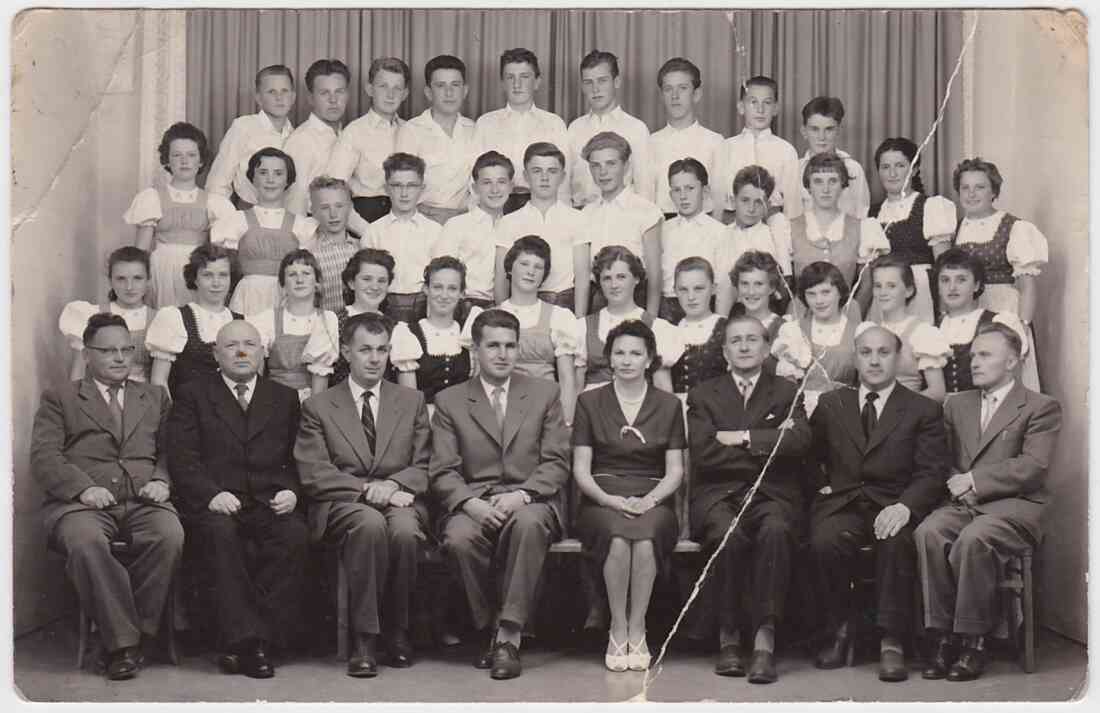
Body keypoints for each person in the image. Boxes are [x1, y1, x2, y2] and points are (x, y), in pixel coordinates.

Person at [31, 313, 183, 680]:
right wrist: (83, 488)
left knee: (169, 535)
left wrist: (162, 480)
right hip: (80, 503)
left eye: (126, 349)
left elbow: (172, 451)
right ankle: (124, 645)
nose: (120, 358)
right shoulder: (60, 398)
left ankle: (127, 637)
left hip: (144, 499)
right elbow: (44, 456)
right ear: (87, 354)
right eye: (108, 350)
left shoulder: (155, 396)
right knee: (85, 542)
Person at [429, 309, 571, 680]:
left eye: (510, 345)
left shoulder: (544, 393)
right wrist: (470, 504)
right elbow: (442, 470)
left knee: (527, 524)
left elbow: (557, 461)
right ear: (475, 350)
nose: (503, 354)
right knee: (459, 538)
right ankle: (487, 628)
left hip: (530, 499)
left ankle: (508, 637)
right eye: (493, 345)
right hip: (474, 499)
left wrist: (523, 494)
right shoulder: (450, 400)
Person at [915, 323, 1062, 682]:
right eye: (972, 355)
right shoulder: (957, 404)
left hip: (1014, 506)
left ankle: (973, 641)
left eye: (985, 355)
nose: (974, 362)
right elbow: (942, 457)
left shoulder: (1040, 407)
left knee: (974, 538)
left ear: (1012, 361)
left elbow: (1034, 465)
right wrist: (957, 483)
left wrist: (976, 481)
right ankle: (942, 637)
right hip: (963, 504)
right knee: (928, 531)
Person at [166, 319, 307, 679]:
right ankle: (247, 643)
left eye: (250, 344)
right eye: (231, 345)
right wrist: (210, 494)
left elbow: (298, 457)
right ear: (216, 353)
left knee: (294, 535)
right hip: (216, 501)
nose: (242, 351)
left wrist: (292, 490)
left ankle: (259, 637)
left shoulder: (284, 397)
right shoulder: (193, 393)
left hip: (268, 501)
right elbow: (182, 458)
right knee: (220, 534)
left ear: (263, 352)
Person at [809, 324, 949, 682]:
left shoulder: (921, 409)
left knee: (895, 541)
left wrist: (905, 507)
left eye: (883, 352)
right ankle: (840, 627)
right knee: (826, 540)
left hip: (894, 503)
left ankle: (892, 639)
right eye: (866, 352)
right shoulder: (831, 403)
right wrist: (821, 486)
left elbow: (933, 472)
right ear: (855, 358)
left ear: (898, 358)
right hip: (844, 503)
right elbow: (807, 457)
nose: (874, 360)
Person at [295, 312, 432, 677]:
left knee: (404, 531)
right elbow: (314, 472)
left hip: (401, 495)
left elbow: (426, 463)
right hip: (344, 502)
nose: (375, 359)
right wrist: (368, 490)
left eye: (382, 350)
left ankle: (399, 631)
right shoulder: (318, 406)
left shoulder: (411, 400)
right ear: (346, 353)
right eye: (365, 350)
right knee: (369, 523)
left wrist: (394, 486)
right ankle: (365, 638)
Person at [688, 315, 812, 683]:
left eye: (752, 339)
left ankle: (764, 642)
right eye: (736, 341)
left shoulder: (786, 391)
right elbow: (704, 452)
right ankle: (728, 638)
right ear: (725, 350)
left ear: (765, 347)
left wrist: (741, 437)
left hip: (772, 493)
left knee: (775, 530)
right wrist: (768, 439)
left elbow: (799, 443)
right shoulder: (703, 393)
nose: (744, 346)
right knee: (728, 533)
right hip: (718, 493)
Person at [572, 320, 685, 672]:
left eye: (635, 353)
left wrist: (650, 500)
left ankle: (639, 626)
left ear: (650, 358)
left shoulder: (668, 405)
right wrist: (610, 500)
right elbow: (581, 470)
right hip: (602, 498)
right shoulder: (589, 401)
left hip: (653, 495)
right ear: (608, 358)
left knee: (648, 538)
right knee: (618, 538)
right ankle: (617, 626)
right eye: (619, 352)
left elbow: (675, 471)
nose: (626, 360)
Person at [951, 157, 1048, 391]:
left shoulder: (1014, 227)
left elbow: (1027, 286)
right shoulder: (955, 228)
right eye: (966, 188)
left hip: (1004, 309)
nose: (971, 194)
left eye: (980, 187)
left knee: (1007, 379)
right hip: (970, 312)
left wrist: (1022, 327)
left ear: (993, 191)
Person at [124, 122, 234, 308]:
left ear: (200, 161)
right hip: (161, 270)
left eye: (191, 155)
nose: (184, 161)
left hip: (197, 271)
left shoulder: (215, 203)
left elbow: (216, 255)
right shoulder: (152, 198)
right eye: (177, 155)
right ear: (167, 160)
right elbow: (141, 252)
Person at [210, 147, 317, 315]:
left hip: (287, 297)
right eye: (263, 172)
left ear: (288, 180)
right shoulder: (236, 221)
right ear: (253, 178)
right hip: (248, 296)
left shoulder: (302, 225)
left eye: (278, 173)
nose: (270, 179)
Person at [490, 235, 579, 425]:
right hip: (502, 412)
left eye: (538, 267)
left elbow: (566, 378)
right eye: (524, 264)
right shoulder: (491, 316)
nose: (531, 272)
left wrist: (566, 424)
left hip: (545, 411)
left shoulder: (559, 317)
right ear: (510, 268)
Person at [495, 141, 591, 315]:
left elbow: (582, 277)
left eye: (552, 171)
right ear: (525, 176)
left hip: (564, 305)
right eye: (537, 171)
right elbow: (501, 279)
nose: (544, 178)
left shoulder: (578, 219)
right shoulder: (509, 222)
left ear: (562, 176)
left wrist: (579, 321)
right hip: (522, 307)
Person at [870, 137, 957, 323]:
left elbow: (944, 266)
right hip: (884, 296)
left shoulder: (931, 207)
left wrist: (944, 310)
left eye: (900, 166)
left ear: (915, 169)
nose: (892, 173)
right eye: (885, 167)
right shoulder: (871, 214)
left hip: (922, 294)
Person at [790, 152, 890, 313]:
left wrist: (851, 317)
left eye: (833, 181)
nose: (825, 189)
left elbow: (867, 284)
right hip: (799, 319)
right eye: (818, 182)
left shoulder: (862, 227)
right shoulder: (789, 227)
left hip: (844, 319)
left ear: (843, 185)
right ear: (808, 187)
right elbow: (784, 283)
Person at [475, 48, 571, 211]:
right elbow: (475, 176)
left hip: (541, 205)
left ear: (537, 82)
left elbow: (563, 178)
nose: (517, 84)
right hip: (497, 205)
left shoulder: (554, 123)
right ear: (502, 83)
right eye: (510, 77)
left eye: (524, 77)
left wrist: (561, 214)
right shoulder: (486, 123)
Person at [580, 131, 664, 314]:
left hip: (636, 300)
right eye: (595, 165)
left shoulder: (646, 211)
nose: (603, 172)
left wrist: (651, 319)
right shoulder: (586, 214)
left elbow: (655, 276)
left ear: (625, 166)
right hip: (597, 301)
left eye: (611, 164)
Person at [282, 59, 367, 240]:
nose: (333, 100)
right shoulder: (302, 140)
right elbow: (296, 203)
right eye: (324, 93)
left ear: (348, 95)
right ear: (311, 98)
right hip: (318, 236)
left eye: (339, 92)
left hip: (348, 230)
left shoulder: (349, 134)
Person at [576, 245, 678, 394]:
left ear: (636, 278)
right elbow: (576, 387)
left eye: (621, 277)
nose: (614, 285)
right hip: (595, 410)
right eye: (607, 278)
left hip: (641, 410)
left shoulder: (657, 328)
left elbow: (663, 388)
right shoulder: (583, 327)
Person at [147, 243, 242, 397]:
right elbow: (159, 381)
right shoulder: (173, 318)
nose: (216, 283)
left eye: (223, 275)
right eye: (207, 275)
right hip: (187, 414)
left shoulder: (240, 322)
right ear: (195, 279)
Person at [361, 152, 445, 323]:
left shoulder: (435, 231)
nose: (404, 193)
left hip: (425, 307)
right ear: (386, 188)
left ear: (422, 188)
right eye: (397, 185)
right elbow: (367, 278)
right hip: (385, 306)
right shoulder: (373, 231)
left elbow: (440, 277)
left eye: (412, 185)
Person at [326, 57, 411, 224]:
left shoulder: (411, 130)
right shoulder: (355, 132)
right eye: (383, 86)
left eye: (397, 88)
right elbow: (334, 191)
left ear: (405, 94)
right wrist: (365, 231)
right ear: (369, 89)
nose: (390, 94)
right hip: (367, 217)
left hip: (404, 217)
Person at [932, 248, 1028, 395]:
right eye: (945, 280)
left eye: (961, 279)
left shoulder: (999, 322)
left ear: (976, 285)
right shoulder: (931, 331)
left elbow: (1015, 384)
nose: (952, 287)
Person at [395, 54, 478, 225]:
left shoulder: (475, 129)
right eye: (441, 86)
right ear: (428, 92)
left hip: (465, 219)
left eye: (455, 85)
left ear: (465, 90)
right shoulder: (411, 131)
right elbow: (401, 184)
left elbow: (480, 182)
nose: (449, 93)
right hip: (423, 220)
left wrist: (464, 214)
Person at [249, 249, 340, 402]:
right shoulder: (266, 318)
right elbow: (255, 369)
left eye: (306, 273)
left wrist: (313, 414)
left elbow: (321, 374)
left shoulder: (327, 318)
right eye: (292, 275)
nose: (299, 280)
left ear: (317, 282)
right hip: (273, 399)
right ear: (283, 285)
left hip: (312, 400)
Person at [771, 261, 861, 416]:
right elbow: (787, 387)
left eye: (826, 292)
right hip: (801, 412)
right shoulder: (793, 331)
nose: (819, 301)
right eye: (811, 294)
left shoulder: (859, 332)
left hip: (844, 412)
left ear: (839, 292)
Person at [60, 247, 157, 383]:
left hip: (141, 398)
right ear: (110, 281)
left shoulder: (158, 319)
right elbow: (78, 372)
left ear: (148, 280)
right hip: (98, 397)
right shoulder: (91, 314)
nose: (129, 286)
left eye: (137, 278)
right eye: (121, 279)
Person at [712, 75, 801, 223]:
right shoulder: (725, 147)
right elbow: (717, 202)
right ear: (741, 107)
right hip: (732, 229)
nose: (760, 109)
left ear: (775, 108)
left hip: (773, 229)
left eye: (767, 103)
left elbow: (793, 208)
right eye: (753, 102)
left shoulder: (786, 151)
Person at [567, 49, 650, 207]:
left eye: (602, 80)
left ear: (616, 82)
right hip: (581, 216)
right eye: (588, 82)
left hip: (623, 216)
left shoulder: (636, 128)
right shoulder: (574, 128)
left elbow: (644, 188)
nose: (595, 89)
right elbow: (564, 185)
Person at [327, 248, 421, 388]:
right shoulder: (332, 322)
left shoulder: (397, 329)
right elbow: (319, 394)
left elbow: (408, 394)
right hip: (339, 407)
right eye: (367, 279)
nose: (375, 286)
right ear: (351, 283)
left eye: (382, 281)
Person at [206, 65, 296, 208]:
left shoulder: (296, 135)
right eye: (271, 92)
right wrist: (226, 220)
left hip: (284, 215)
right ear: (259, 98)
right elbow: (218, 183)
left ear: (292, 97)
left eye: (284, 91)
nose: (279, 98)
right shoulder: (243, 127)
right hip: (248, 211)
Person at [400, 256, 483, 409]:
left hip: (463, 422)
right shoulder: (408, 335)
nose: (444, 295)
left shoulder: (468, 334)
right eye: (437, 287)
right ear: (426, 289)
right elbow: (410, 403)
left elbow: (476, 396)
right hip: (424, 423)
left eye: (452, 288)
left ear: (462, 293)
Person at [648, 57, 724, 219]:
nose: (675, 96)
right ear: (662, 95)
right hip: (661, 225)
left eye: (682, 88)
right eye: (668, 89)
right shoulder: (650, 143)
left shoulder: (715, 142)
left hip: (704, 227)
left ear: (696, 94)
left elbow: (719, 200)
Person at [869, 254, 951, 402]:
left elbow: (937, 392)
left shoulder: (922, 333)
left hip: (906, 417)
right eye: (878, 286)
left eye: (891, 286)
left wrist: (896, 407)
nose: (883, 293)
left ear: (909, 290)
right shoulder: (868, 330)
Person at [437, 151, 512, 310]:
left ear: (511, 187)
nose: (495, 189)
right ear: (474, 188)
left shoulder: (515, 226)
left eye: (501, 182)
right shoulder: (457, 225)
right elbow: (441, 275)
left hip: (505, 306)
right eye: (486, 182)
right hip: (464, 305)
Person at [714, 165, 792, 316]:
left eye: (758, 202)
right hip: (728, 311)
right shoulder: (722, 234)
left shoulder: (772, 233)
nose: (751, 208)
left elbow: (784, 285)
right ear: (733, 200)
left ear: (767, 204)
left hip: (766, 310)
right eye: (745, 200)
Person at [657, 159, 725, 323]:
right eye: (677, 190)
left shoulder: (721, 232)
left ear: (705, 190)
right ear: (670, 195)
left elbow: (723, 285)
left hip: (708, 307)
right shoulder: (661, 231)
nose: (683, 196)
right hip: (668, 308)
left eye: (690, 188)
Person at [797, 97, 870, 218]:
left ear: (839, 131)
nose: (822, 137)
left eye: (829, 129)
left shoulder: (853, 169)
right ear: (804, 131)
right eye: (815, 129)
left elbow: (861, 213)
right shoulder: (794, 170)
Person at [668, 257, 728, 403]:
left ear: (713, 289)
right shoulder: (668, 331)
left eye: (699, 289)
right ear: (674, 291)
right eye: (683, 289)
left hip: (719, 412)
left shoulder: (727, 328)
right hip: (680, 413)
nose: (691, 297)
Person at [306, 176, 362, 314]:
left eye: (339, 206)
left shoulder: (361, 248)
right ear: (313, 211)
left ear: (350, 207)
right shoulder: (309, 253)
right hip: (324, 329)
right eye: (325, 207)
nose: (333, 214)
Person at [728, 250, 788, 354]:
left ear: (772, 287)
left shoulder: (784, 330)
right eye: (744, 283)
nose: (751, 292)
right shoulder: (730, 326)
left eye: (759, 284)